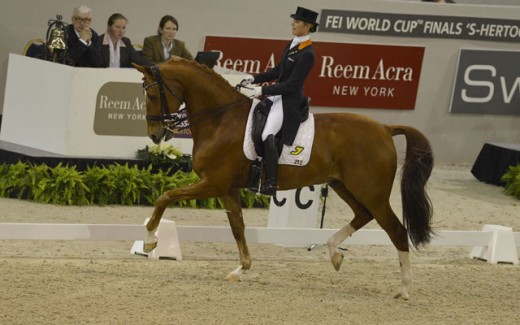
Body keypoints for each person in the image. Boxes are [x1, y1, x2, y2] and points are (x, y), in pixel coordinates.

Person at [241, 6, 319, 195]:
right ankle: (256, 172)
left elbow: (292, 85)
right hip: (277, 96)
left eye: (297, 22)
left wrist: (263, 89)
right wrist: (254, 78)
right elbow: (277, 72)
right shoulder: (293, 44)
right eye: (294, 21)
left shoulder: (308, 53)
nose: (293, 24)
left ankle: (271, 183)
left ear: (307, 26)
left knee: (268, 133)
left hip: (288, 101)